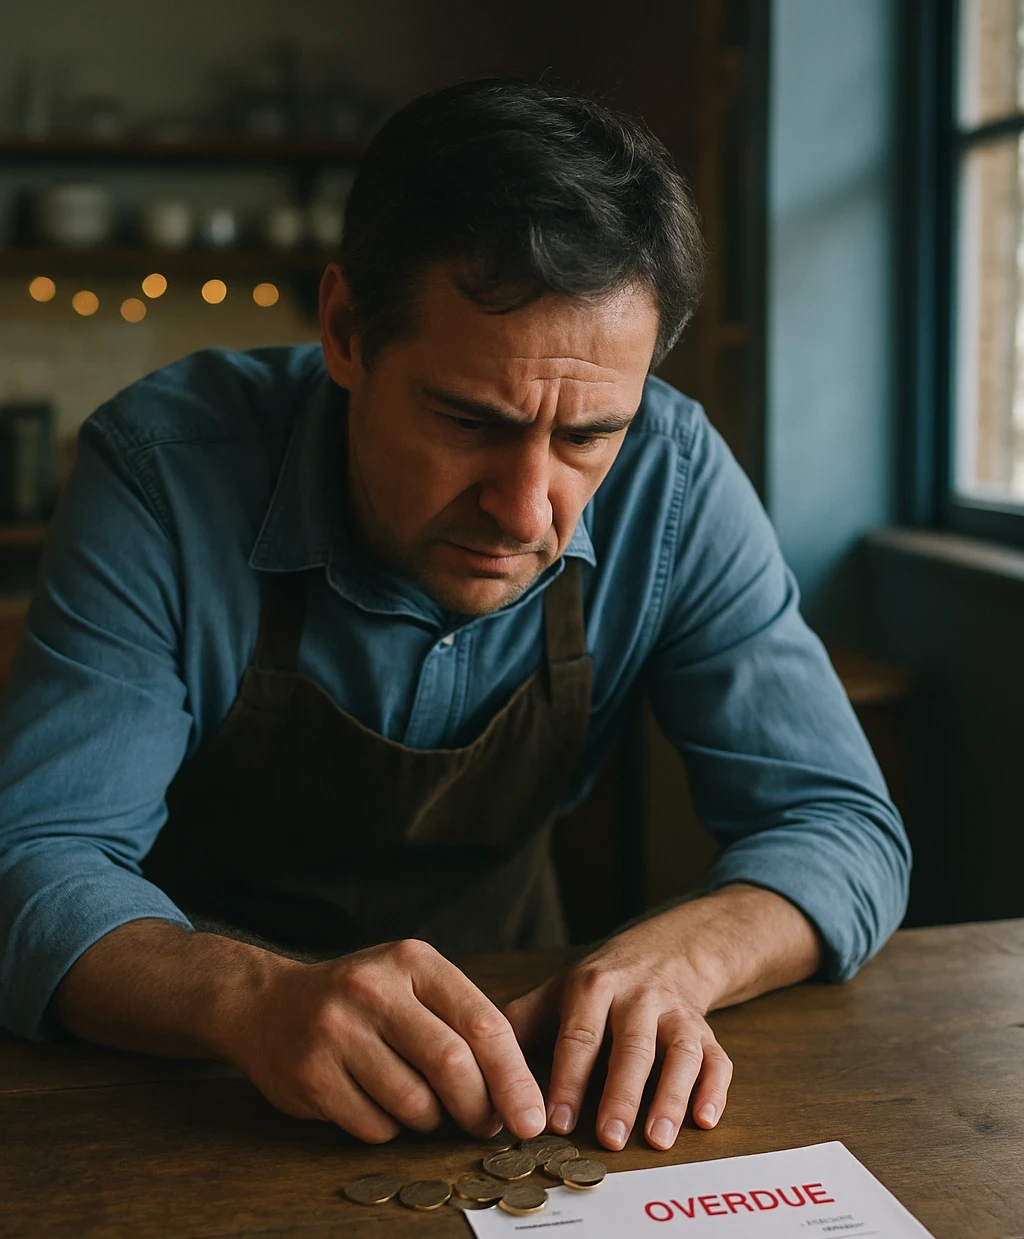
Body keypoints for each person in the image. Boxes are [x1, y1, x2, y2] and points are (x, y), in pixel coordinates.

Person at [0, 80, 909, 1154]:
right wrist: (248, 999)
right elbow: (38, 859)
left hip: (521, 1083)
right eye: (468, 419)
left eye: (586, 438)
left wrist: (681, 959)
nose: (525, 511)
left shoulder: (675, 475)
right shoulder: (163, 469)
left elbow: (842, 828)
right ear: (345, 330)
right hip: (188, 1089)